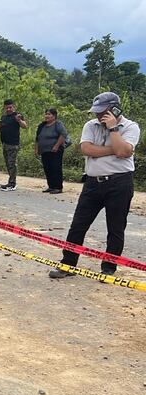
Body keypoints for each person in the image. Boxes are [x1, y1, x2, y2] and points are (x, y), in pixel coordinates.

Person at [49, 92, 140, 279]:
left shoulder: (130, 127)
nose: (98, 116)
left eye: (103, 112)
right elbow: (86, 149)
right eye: (96, 112)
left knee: (115, 228)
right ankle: (68, 264)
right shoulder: (90, 125)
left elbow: (123, 151)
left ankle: (108, 268)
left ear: (115, 109)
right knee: (78, 225)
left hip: (119, 183)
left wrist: (114, 130)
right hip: (92, 184)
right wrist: (113, 150)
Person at [35, 108, 68, 194]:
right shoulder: (42, 125)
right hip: (44, 151)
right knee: (47, 168)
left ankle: (58, 187)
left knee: (55, 168)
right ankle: (51, 186)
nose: (47, 116)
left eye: (49, 114)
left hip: (55, 150)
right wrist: (37, 149)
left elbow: (63, 134)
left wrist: (56, 145)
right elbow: (37, 138)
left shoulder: (58, 124)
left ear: (54, 116)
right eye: (46, 114)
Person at [0, 99, 27, 191]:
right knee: (8, 163)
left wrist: (19, 121)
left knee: (12, 163)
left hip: (13, 144)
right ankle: (10, 181)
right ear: (4, 107)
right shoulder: (4, 117)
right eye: (7, 108)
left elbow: (24, 126)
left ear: (14, 106)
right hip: (5, 143)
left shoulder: (17, 115)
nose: (9, 109)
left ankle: (13, 184)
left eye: (10, 107)